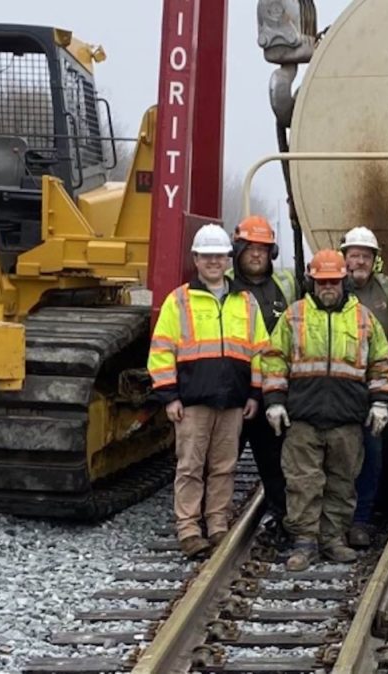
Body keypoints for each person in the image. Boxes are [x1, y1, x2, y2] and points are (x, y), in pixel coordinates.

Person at [262, 249, 388, 570]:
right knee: (303, 481)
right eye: (322, 282)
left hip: (347, 418)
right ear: (312, 282)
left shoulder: (363, 318)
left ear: (343, 281)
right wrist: (275, 402)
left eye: (333, 281)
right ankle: (305, 542)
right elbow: (274, 359)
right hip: (303, 417)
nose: (328, 287)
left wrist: (380, 403)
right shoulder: (294, 316)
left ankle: (333, 538)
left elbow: (380, 363)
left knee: (341, 481)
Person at [148, 223, 269, 558]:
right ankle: (188, 529)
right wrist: (169, 396)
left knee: (223, 466)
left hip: (232, 401)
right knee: (189, 466)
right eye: (207, 257)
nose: (214, 262)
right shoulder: (180, 301)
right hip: (192, 401)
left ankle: (217, 526)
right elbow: (161, 351)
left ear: (229, 260)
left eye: (219, 256)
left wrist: (254, 394)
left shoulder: (246, 302)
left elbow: (261, 351)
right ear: (196, 260)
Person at [226, 215, 297, 537]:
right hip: (232, 389)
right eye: (250, 248)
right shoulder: (223, 284)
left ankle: (282, 517)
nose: (256, 255)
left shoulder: (286, 284)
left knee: (276, 461)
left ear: (273, 253)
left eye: (263, 249)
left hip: (273, 389)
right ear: (238, 250)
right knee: (222, 462)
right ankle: (211, 522)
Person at [340, 226, 388, 549]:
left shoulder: (386, 291)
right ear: (344, 258)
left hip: (375, 387)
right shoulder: (330, 287)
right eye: (354, 255)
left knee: (374, 457)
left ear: (374, 259)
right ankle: (340, 519)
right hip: (340, 393)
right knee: (341, 459)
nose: (358, 261)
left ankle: (363, 518)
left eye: (365, 255)